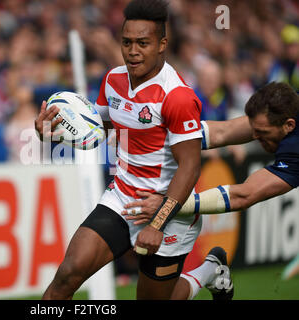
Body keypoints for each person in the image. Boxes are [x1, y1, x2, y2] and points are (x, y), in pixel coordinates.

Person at [35, 0, 230, 300]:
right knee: (66, 277)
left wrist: (157, 224)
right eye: (126, 42)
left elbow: (190, 168)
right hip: (122, 198)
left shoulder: (178, 97)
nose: (132, 51)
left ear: (162, 44)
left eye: (143, 43)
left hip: (167, 212)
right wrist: (55, 132)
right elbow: (99, 131)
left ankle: (208, 271)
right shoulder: (112, 80)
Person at [123, 81, 298, 299]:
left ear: (289, 126)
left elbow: (244, 195)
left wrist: (168, 205)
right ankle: (209, 272)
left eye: (261, 132)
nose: (253, 137)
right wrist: (152, 138)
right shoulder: (287, 109)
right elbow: (222, 132)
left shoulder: (295, 148)